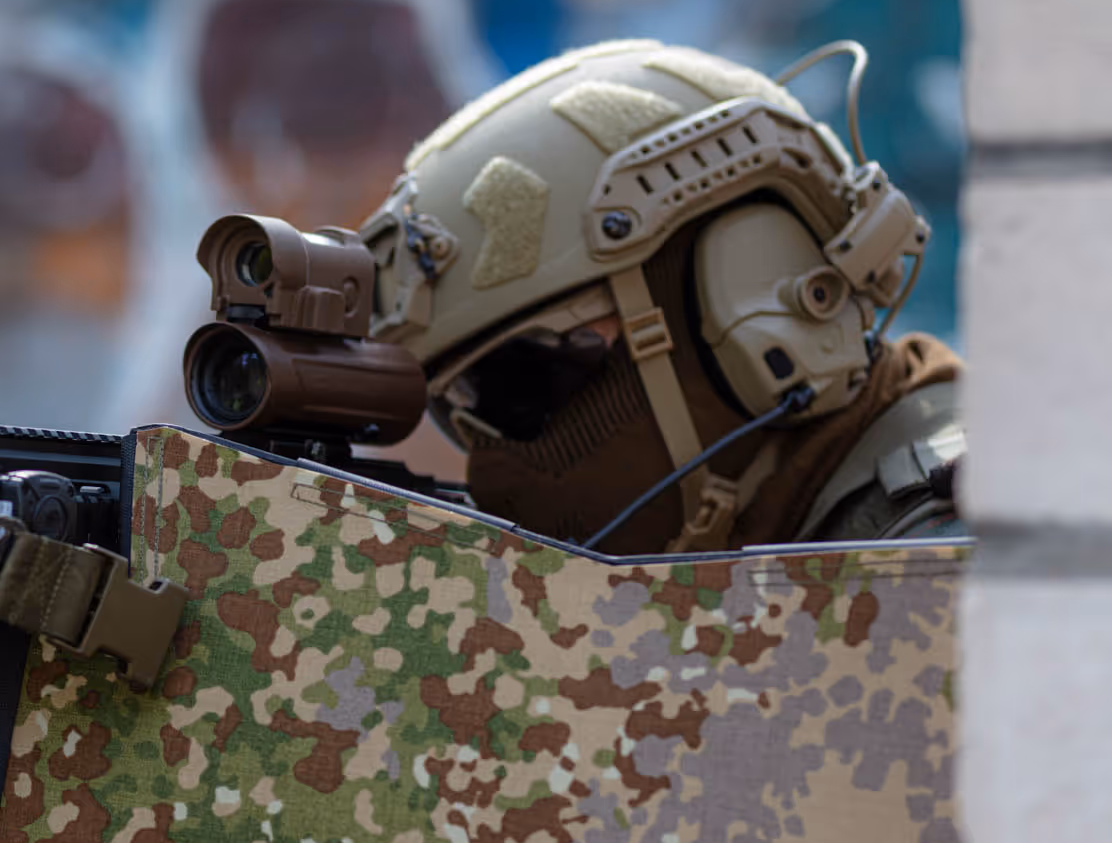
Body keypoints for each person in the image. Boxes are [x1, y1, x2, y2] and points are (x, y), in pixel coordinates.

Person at [357, 38, 964, 554]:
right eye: (455, 411)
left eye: (519, 383)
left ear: (748, 300)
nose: (489, 469)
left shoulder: (958, 555)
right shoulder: (741, 563)